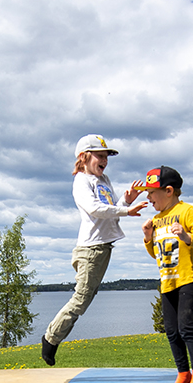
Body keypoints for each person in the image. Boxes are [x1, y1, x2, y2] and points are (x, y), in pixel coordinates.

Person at [41, 134, 147, 366]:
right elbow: (95, 209)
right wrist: (126, 212)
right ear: (83, 156)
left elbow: (111, 209)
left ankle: (52, 337)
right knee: (81, 299)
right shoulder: (81, 181)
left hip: (102, 248)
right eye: (100, 155)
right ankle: (50, 339)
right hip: (90, 250)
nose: (105, 160)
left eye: (106, 156)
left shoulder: (104, 179)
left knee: (85, 298)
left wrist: (126, 201)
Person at [138, 166, 193, 383]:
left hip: (188, 279)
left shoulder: (188, 211)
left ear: (168, 190)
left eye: (151, 192)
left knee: (186, 327)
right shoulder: (157, 220)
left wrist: (187, 236)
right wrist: (148, 238)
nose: (148, 197)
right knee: (171, 331)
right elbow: (157, 253)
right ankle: (183, 373)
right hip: (167, 282)